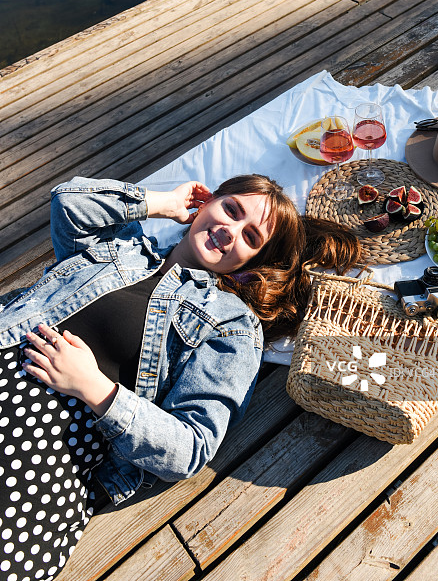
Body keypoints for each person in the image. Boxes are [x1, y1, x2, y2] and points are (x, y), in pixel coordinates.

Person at [0, 174, 360, 581]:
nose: (230, 230)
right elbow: (67, 202)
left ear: (254, 262)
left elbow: (191, 445)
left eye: (250, 237)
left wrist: (92, 386)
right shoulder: (123, 247)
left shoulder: (231, 324)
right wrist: (162, 203)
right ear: (207, 201)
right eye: (231, 209)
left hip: (44, 443)